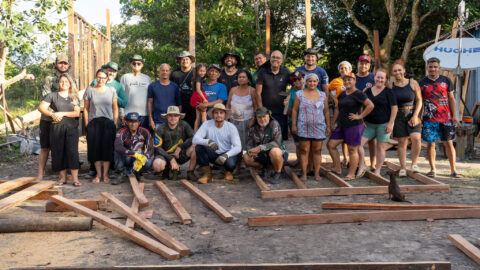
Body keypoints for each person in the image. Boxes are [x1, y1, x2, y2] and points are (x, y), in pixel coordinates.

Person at [419, 57, 462, 178]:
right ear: (427, 67)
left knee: (448, 143)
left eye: (435, 67)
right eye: (430, 66)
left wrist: (455, 116)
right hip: (429, 119)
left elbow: (451, 99)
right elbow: (420, 102)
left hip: (446, 118)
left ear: (439, 68)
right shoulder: (421, 82)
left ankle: (453, 170)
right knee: (431, 144)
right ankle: (433, 169)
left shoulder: (446, 80)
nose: (432, 69)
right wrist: (419, 117)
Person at [37, 54, 77, 181]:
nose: (63, 65)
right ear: (55, 64)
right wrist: (54, 115)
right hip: (48, 119)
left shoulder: (72, 79)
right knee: (45, 147)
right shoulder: (49, 79)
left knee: (66, 146)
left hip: (64, 121)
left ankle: (67, 174)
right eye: (60, 63)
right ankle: (40, 174)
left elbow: (73, 97)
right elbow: (45, 98)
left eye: (65, 63)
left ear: (69, 65)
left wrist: (64, 115)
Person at [327, 72, 374, 181]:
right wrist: (333, 123)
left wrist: (360, 116)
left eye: (350, 79)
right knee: (331, 145)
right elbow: (338, 108)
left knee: (352, 150)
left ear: (354, 81)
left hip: (354, 126)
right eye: (345, 80)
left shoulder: (359, 94)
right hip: (341, 125)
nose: (347, 81)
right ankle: (337, 168)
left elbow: (370, 105)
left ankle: (351, 173)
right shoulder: (342, 94)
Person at [357, 69, 398, 176]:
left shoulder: (389, 92)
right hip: (368, 124)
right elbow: (361, 106)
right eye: (378, 77)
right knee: (358, 144)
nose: (379, 80)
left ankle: (378, 170)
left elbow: (394, 108)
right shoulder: (368, 91)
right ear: (374, 78)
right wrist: (361, 119)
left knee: (380, 147)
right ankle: (362, 164)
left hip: (383, 124)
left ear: (385, 80)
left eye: (382, 78)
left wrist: (390, 123)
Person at [292, 73, 330, 181]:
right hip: (303, 127)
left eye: (314, 81)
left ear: (317, 82)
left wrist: (328, 126)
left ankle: (316, 173)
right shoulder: (299, 94)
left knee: (317, 150)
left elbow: (326, 112)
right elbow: (294, 110)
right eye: (309, 81)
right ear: (306, 82)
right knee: (304, 150)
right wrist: (294, 125)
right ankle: (304, 173)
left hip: (319, 127)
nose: (312, 83)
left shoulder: (322, 95)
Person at [84, 69, 119, 183]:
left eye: (103, 78)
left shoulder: (111, 90)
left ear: (107, 79)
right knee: (95, 150)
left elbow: (115, 108)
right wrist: (87, 124)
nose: (101, 80)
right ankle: (98, 175)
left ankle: (105, 175)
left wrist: (114, 122)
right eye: (99, 77)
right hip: (94, 123)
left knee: (107, 150)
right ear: (95, 77)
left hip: (108, 123)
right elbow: (85, 109)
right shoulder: (90, 91)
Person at [389, 60, 423, 176]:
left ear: (404, 71)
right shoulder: (391, 85)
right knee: (402, 142)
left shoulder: (413, 83)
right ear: (392, 73)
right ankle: (403, 167)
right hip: (398, 114)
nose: (397, 72)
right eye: (395, 70)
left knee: (416, 138)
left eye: (399, 70)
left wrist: (415, 116)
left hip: (412, 112)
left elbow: (419, 100)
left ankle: (414, 163)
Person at [193, 104, 242, 183]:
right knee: (199, 147)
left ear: (225, 115)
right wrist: (208, 142)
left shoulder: (231, 127)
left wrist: (226, 155)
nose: (218, 115)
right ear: (213, 115)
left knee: (231, 163)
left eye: (221, 113)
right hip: (213, 154)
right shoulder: (206, 124)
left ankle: (228, 171)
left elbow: (238, 147)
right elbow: (195, 139)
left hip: (226, 154)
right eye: (216, 113)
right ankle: (207, 174)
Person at [244, 107, 287, 184]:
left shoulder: (274, 124)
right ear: (256, 118)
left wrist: (261, 147)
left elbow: (277, 143)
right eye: (259, 117)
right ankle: (264, 168)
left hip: (277, 154)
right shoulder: (253, 128)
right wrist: (250, 151)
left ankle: (278, 172)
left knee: (275, 152)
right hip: (262, 155)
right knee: (246, 157)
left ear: (269, 116)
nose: (262, 119)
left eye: (264, 116)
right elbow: (248, 144)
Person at [153, 106, 197, 181]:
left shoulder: (184, 125)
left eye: (175, 115)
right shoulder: (161, 128)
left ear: (179, 116)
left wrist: (180, 146)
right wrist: (171, 159)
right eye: (170, 115)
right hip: (165, 155)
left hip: (179, 153)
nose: (173, 118)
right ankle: (166, 170)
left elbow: (194, 137)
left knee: (195, 146)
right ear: (167, 117)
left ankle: (190, 172)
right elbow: (157, 147)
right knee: (157, 165)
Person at [256, 50, 290, 140]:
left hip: (281, 112)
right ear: (269, 59)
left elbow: (295, 86)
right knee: (265, 138)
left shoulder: (286, 72)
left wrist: (288, 97)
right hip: (266, 113)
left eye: (278, 58)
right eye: (273, 57)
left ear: (282, 60)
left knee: (279, 139)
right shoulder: (262, 72)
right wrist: (261, 111)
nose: (275, 59)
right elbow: (258, 93)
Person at [113, 112, 154, 184]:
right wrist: (134, 154)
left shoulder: (145, 132)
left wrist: (144, 157)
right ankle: (119, 173)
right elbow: (118, 146)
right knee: (117, 151)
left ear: (139, 122)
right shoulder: (121, 131)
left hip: (139, 157)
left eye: (135, 121)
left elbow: (150, 148)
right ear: (127, 122)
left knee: (149, 161)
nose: (133, 124)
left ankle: (138, 173)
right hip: (126, 158)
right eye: (131, 121)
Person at [328, 60, 352, 168]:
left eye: (346, 68)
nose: (343, 70)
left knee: (351, 137)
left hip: (352, 110)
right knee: (343, 137)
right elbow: (328, 89)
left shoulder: (353, 79)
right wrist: (334, 99)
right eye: (341, 68)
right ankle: (345, 158)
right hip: (340, 110)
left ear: (350, 70)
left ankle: (353, 160)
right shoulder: (336, 81)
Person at [226, 69, 257, 151]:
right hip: (233, 121)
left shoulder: (252, 90)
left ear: (248, 79)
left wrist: (253, 120)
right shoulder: (233, 90)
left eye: (243, 77)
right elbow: (228, 105)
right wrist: (226, 119)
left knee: (247, 142)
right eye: (239, 77)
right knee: (234, 142)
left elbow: (255, 106)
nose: (241, 79)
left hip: (247, 121)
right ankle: (236, 160)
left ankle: (247, 160)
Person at [355, 54, 376, 170]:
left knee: (372, 141)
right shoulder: (353, 77)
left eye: (366, 63)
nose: (363, 65)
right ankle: (360, 163)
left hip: (371, 112)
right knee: (357, 140)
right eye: (361, 63)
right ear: (357, 64)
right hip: (356, 112)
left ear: (369, 65)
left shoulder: (373, 78)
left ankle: (372, 164)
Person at [120, 54, 151, 129]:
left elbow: (150, 98)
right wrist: (121, 113)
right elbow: (121, 96)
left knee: (143, 138)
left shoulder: (147, 78)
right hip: (128, 114)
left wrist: (150, 116)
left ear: (142, 65)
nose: (136, 65)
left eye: (139, 63)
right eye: (134, 63)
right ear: (130, 64)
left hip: (144, 115)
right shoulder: (125, 77)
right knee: (129, 139)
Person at [147, 63, 181, 130]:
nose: (164, 72)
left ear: (169, 72)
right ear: (159, 71)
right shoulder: (152, 86)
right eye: (162, 70)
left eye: (166, 70)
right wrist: (150, 119)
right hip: (157, 121)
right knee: (158, 140)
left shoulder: (175, 86)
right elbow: (150, 102)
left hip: (172, 121)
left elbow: (179, 104)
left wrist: (177, 120)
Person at [170, 51, 196, 128]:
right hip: (178, 104)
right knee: (178, 126)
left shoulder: (195, 72)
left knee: (192, 127)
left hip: (192, 105)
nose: (185, 61)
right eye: (182, 59)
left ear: (191, 60)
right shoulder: (174, 73)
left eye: (187, 59)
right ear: (179, 61)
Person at [190, 63, 208, 131]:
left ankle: (195, 131)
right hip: (199, 96)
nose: (202, 72)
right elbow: (198, 89)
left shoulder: (195, 78)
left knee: (198, 117)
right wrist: (204, 98)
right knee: (203, 115)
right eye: (200, 71)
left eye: (204, 71)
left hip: (195, 96)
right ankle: (206, 131)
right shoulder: (198, 78)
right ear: (197, 71)